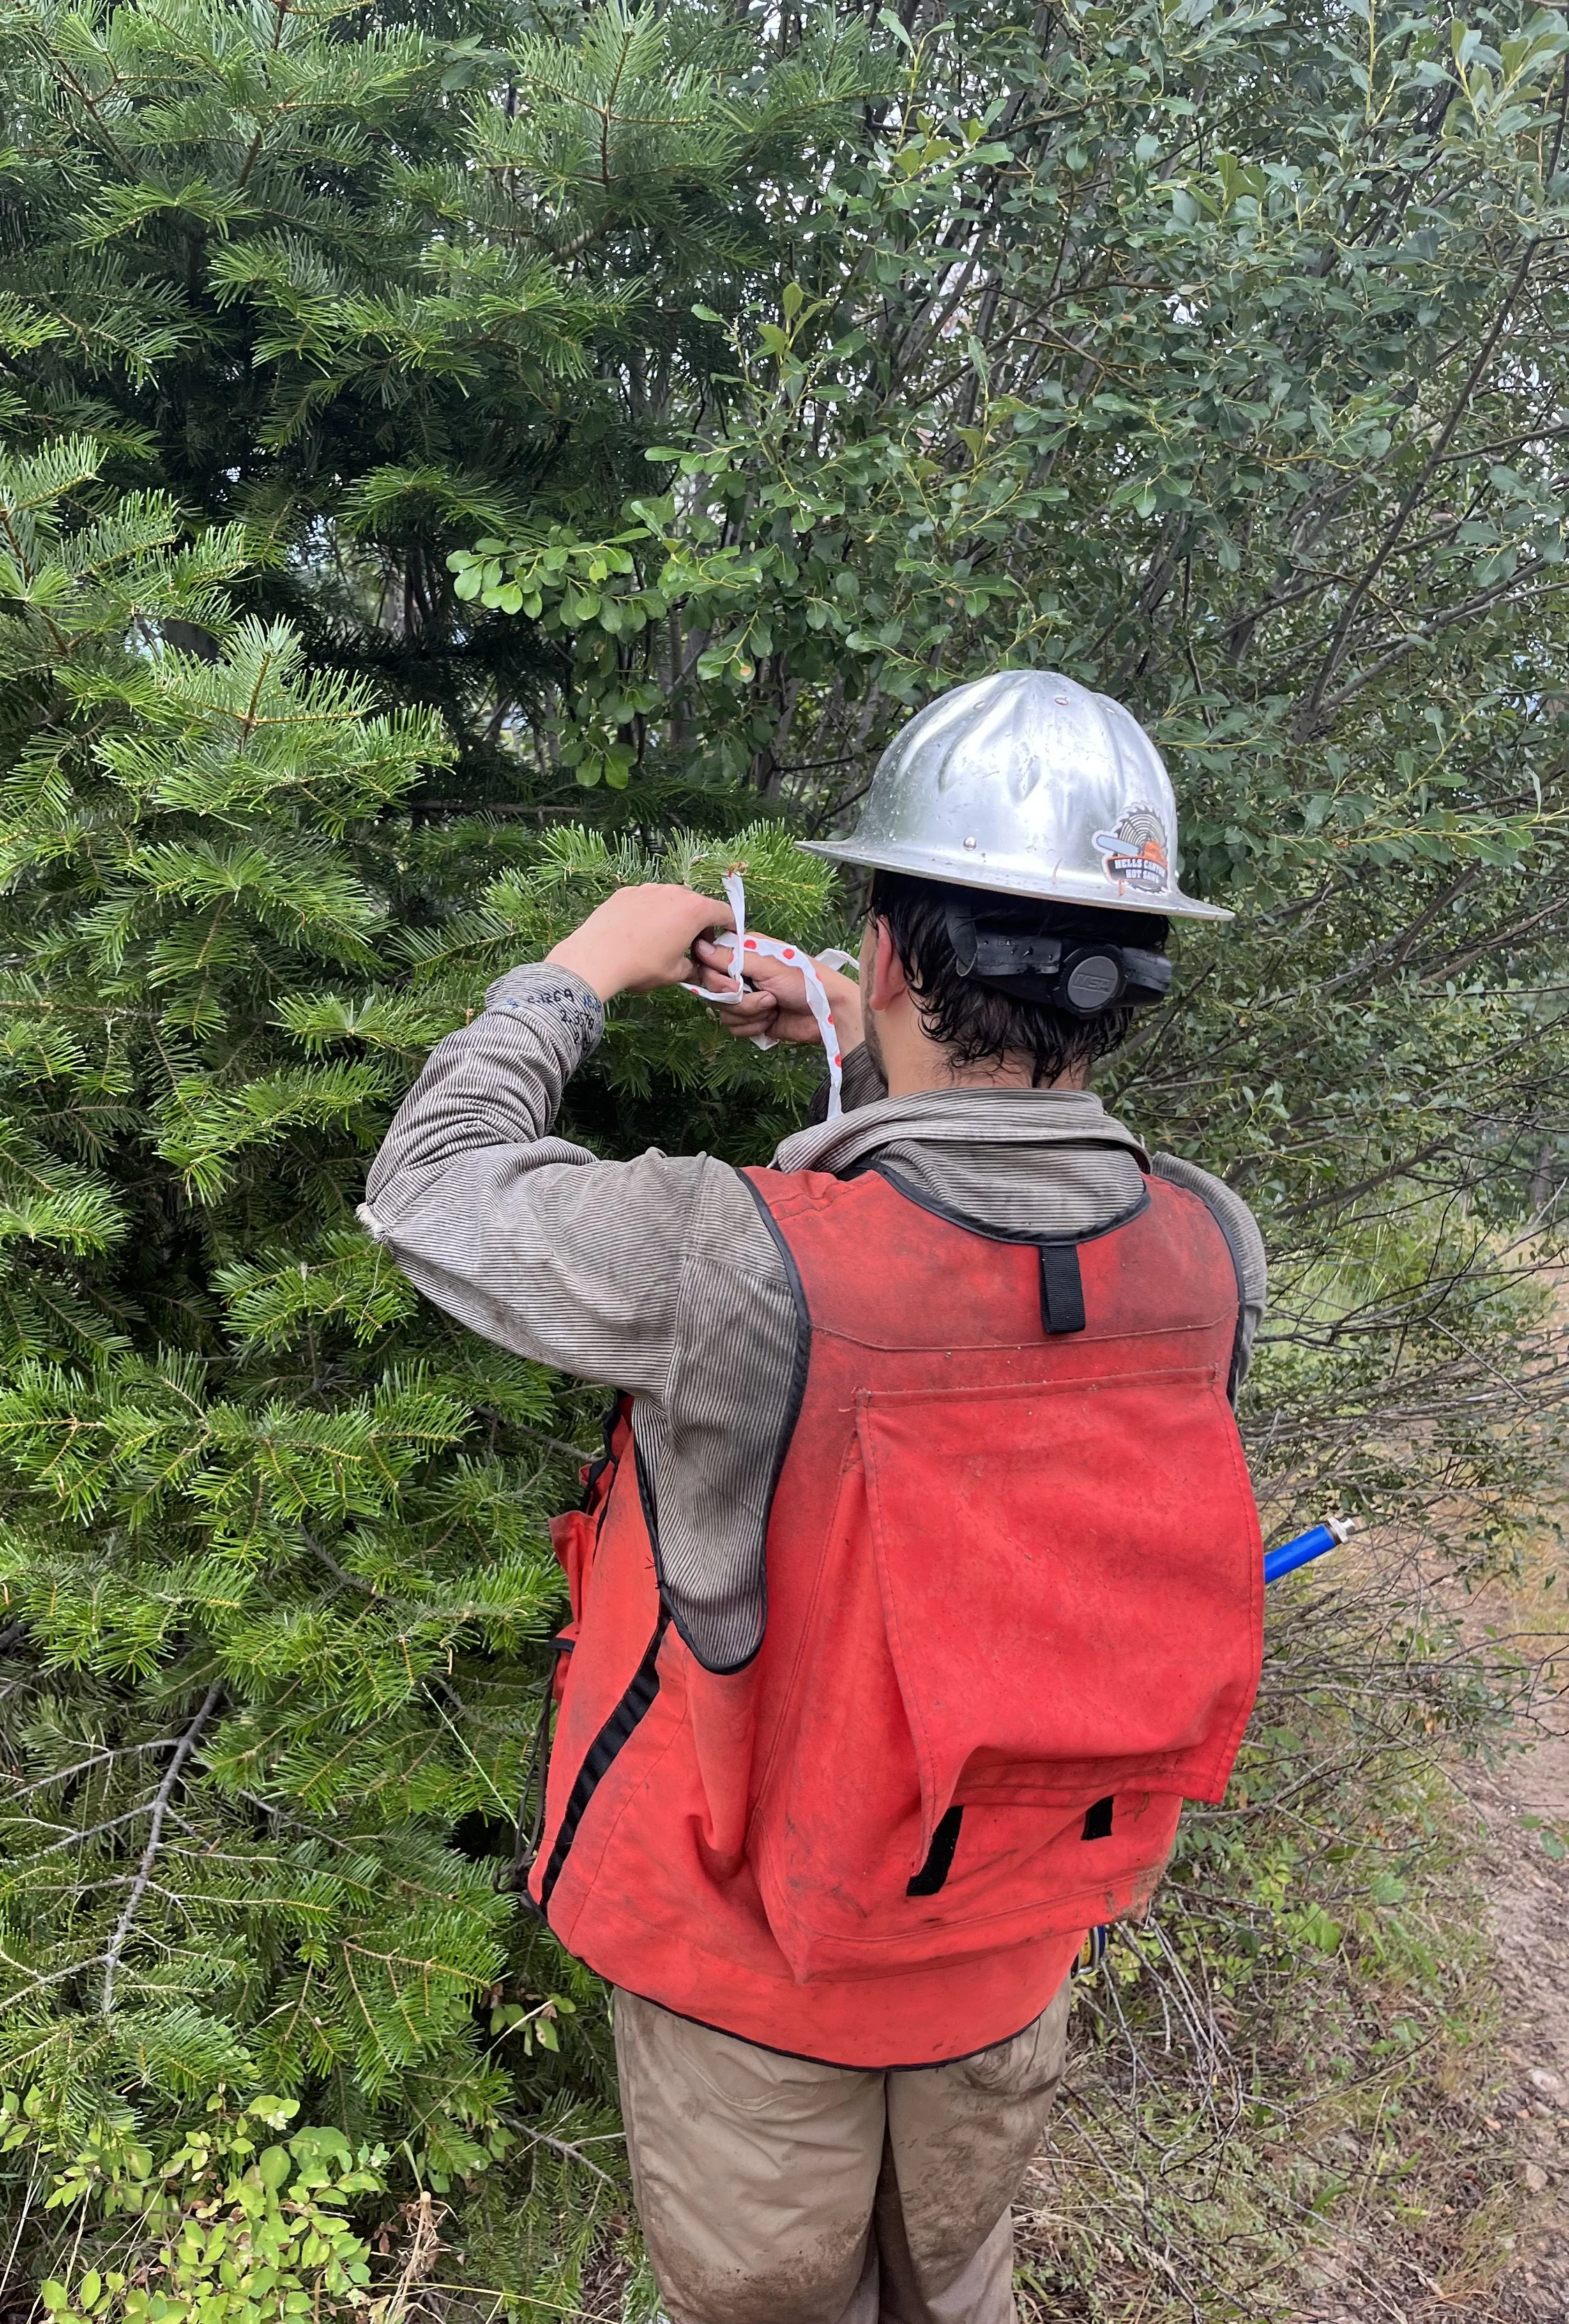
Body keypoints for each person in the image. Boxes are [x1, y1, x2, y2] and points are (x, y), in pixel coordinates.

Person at [359, 670, 1268, 2324]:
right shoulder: (1207, 1248)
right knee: (958, 2289)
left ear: (898, 953)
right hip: (1008, 1951)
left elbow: (431, 1186)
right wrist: (867, 1039)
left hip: (755, 1975)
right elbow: (987, 1247)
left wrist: (578, 971)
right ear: (1124, 987)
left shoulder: (736, 1261)